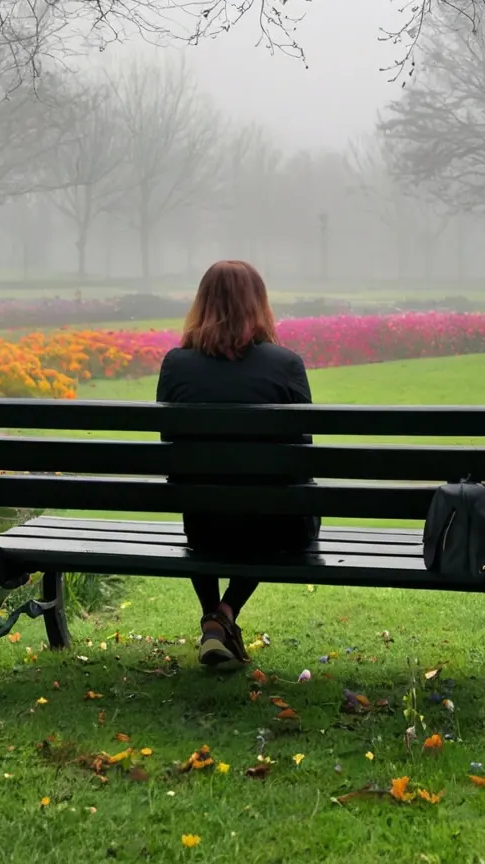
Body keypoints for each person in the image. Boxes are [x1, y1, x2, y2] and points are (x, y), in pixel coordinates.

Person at [156, 260, 319, 670]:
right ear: (258, 304)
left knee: (206, 506)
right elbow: (303, 454)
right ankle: (224, 615)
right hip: (278, 528)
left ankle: (215, 619)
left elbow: (171, 447)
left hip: (204, 522)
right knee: (276, 505)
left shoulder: (176, 364)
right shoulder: (286, 365)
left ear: (202, 304)